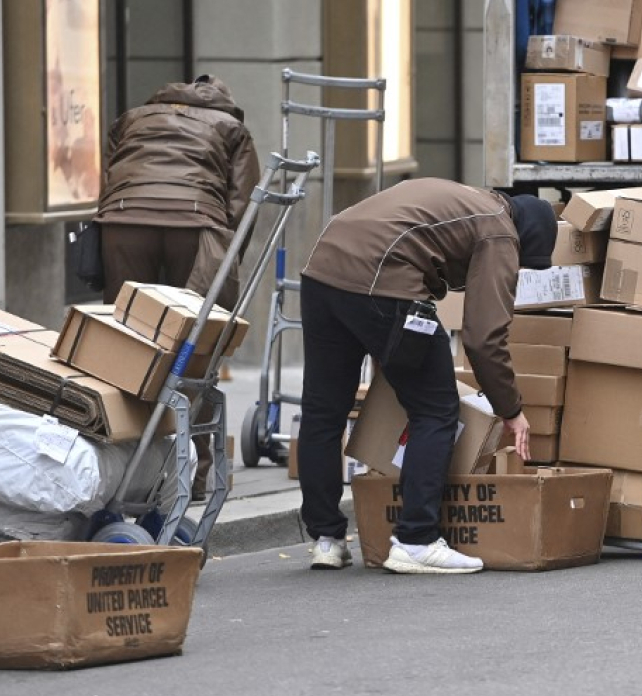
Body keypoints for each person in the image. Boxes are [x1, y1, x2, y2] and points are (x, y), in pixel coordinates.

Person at [296, 179, 555, 575]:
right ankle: (416, 540)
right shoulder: (500, 229)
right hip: (382, 281)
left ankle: (326, 540)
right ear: (527, 238)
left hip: (322, 272)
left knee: (323, 410)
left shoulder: (464, 199)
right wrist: (511, 409)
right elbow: (484, 338)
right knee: (435, 410)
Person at [97, 75, 261, 502]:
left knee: (127, 341)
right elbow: (242, 203)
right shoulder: (231, 128)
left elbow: (111, 178)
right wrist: (227, 260)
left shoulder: (132, 118)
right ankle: (197, 474)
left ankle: (123, 461)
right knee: (194, 342)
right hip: (194, 224)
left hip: (124, 221)